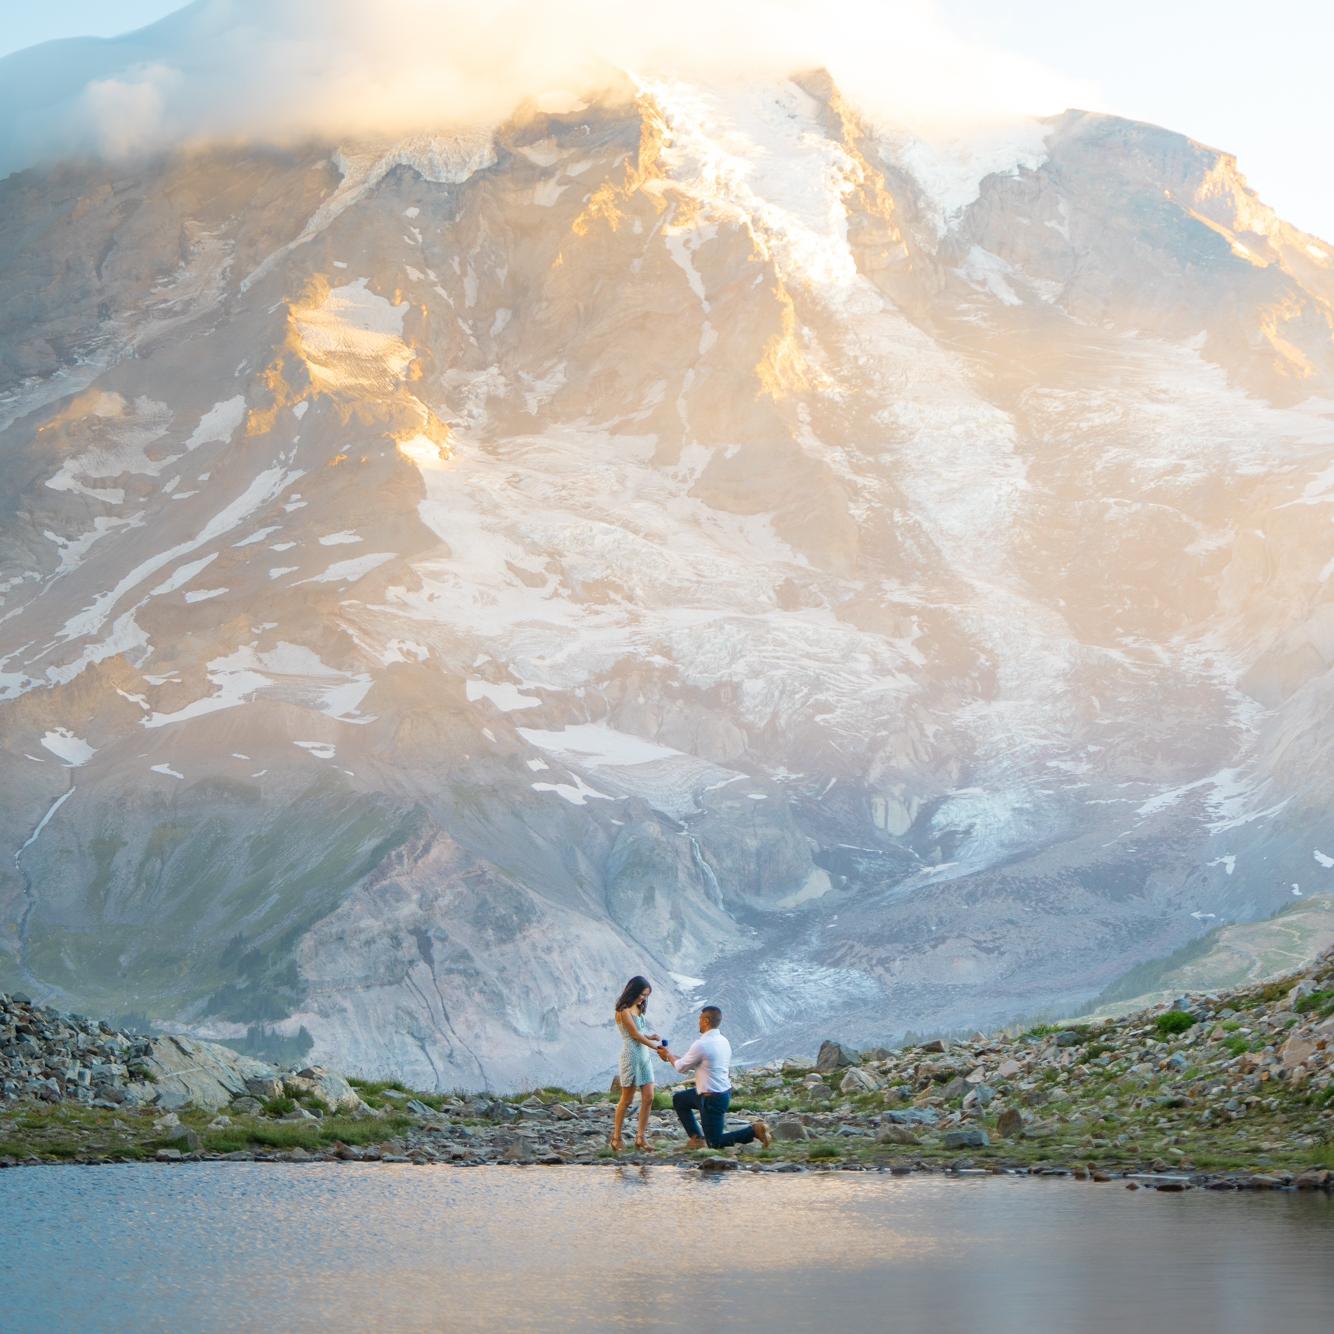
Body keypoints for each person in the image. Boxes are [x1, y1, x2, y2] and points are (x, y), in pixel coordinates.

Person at [658, 1005, 770, 1151]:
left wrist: (667, 1056)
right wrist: (670, 1057)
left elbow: (680, 1067)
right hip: (720, 1093)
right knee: (679, 1099)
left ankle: (754, 1131)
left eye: (699, 1019)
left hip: (711, 1098)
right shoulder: (723, 1040)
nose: (698, 1022)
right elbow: (696, 1064)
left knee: (715, 1142)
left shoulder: (702, 1044)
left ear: (706, 1021)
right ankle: (696, 1139)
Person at [611, 975, 662, 1151]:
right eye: (642, 994)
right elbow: (633, 1035)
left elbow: (640, 1033)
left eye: (646, 995)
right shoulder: (623, 1011)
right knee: (627, 1099)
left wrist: (650, 1036)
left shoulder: (639, 1009)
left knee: (649, 1097)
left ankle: (640, 1137)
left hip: (643, 1056)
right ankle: (616, 1138)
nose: (644, 998)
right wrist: (656, 1047)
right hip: (631, 1056)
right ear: (633, 991)